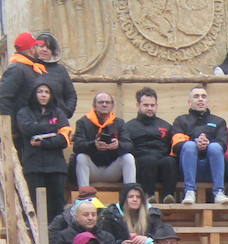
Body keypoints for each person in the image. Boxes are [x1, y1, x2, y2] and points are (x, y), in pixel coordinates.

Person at [15, 81, 70, 224]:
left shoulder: (59, 112)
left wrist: (44, 142)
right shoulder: (24, 112)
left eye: (46, 92)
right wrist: (52, 129)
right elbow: (27, 129)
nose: (43, 95)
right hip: (34, 166)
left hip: (56, 166)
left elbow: (64, 138)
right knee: (35, 205)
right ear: (34, 94)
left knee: (58, 206)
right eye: (40, 91)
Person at [0, 33, 77, 135]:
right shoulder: (17, 68)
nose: (43, 49)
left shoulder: (32, 67)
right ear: (31, 49)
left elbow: (71, 95)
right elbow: (4, 98)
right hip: (25, 127)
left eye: (48, 48)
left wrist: (63, 113)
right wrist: (10, 128)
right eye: (38, 46)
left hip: (45, 124)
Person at [170, 87, 228, 205]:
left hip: (212, 168)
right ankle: (190, 191)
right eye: (196, 96)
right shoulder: (181, 121)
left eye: (203, 96)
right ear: (189, 102)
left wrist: (208, 144)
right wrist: (196, 143)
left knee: (215, 147)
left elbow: (224, 144)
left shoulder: (219, 121)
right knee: (190, 145)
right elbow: (176, 146)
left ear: (207, 101)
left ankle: (219, 192)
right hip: (187, 168)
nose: (200, 99)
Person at [72, 91, 136, 188]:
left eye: (107, 102)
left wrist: (118, 145)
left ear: (112, 105)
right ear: (94, 105)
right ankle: (84, 196)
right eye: (101, 102)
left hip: (112, 170)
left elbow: (129, 145)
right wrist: (94, 145)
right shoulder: (83, 122)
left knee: (128, 157)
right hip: (91, 170)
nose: (104, 105)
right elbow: (77, 146)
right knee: (81, 157)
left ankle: (130, 194)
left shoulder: (119, 123)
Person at [126, 88, 179, 204]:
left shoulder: (166, 126)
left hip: (161, 164)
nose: (150, 108)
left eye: (152, 105)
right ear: (138, 105)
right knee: (148, 160)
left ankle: (168, 196)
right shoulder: (129, 127)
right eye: (146, 105)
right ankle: (148, 196)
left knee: (170, 161)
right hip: (142, 165)